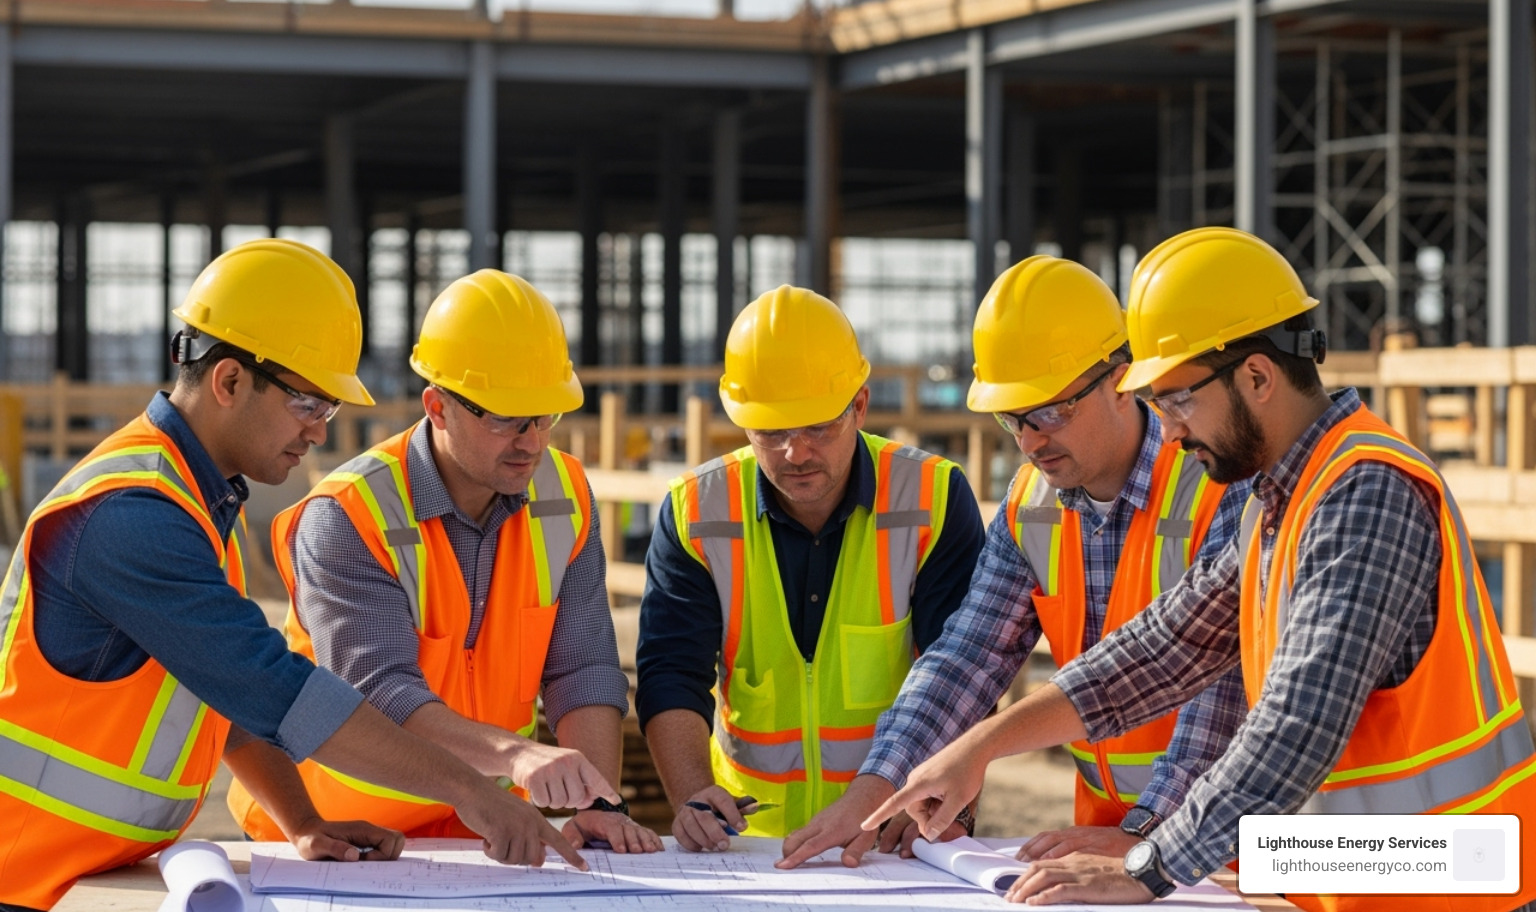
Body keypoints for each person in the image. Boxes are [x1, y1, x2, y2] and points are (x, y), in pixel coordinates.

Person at [867, 228, 1536, 911]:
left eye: (1178, 399)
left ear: (1256, 376)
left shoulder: (1365, 495)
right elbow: (1162, 650)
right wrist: (981, 745)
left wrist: (1149, 863)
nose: (1171, 429)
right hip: (1375, 879)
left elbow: (1297, 722)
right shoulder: (1280, 501)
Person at [0, 240, 585, 912]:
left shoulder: (195, 498)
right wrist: (473, 789)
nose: (319, 434)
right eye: (310, 404)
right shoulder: (134, 517)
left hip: (79, 876)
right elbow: (273, 689)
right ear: (228, 381)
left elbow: (226, 696)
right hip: (23, 876)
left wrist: (302, 822)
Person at [779, 256, 1250, 869]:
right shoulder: (1032, 504)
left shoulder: (1219, 486)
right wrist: (878, 788)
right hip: (1111, 841)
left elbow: (1223, 688)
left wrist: (1150, 837)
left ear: (1121, 379)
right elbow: (967, 658)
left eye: (1050, 412)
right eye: (1013, 419)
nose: (1030, 441)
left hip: (1252, 845)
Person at [229, 269, 657, 854]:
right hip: (338, 837)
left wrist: (599, 801)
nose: (531, 441)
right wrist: (517, 754)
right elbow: (380, 694)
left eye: (544, 416)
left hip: (483, 832)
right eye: (506, 417)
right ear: (437, 406)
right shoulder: (350, 515)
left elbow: (582, 668)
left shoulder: (565, 496)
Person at [636, 285, 985, 851]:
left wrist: (953, 811)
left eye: (818, 427)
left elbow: (966, 672)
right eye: (772, 432)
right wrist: (693, 795)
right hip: (750, 842)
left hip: (893, 834)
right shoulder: (696, 511)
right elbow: (671, 670)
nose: (796, 453)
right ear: (743, 423)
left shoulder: (934, 498)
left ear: (860, 406)